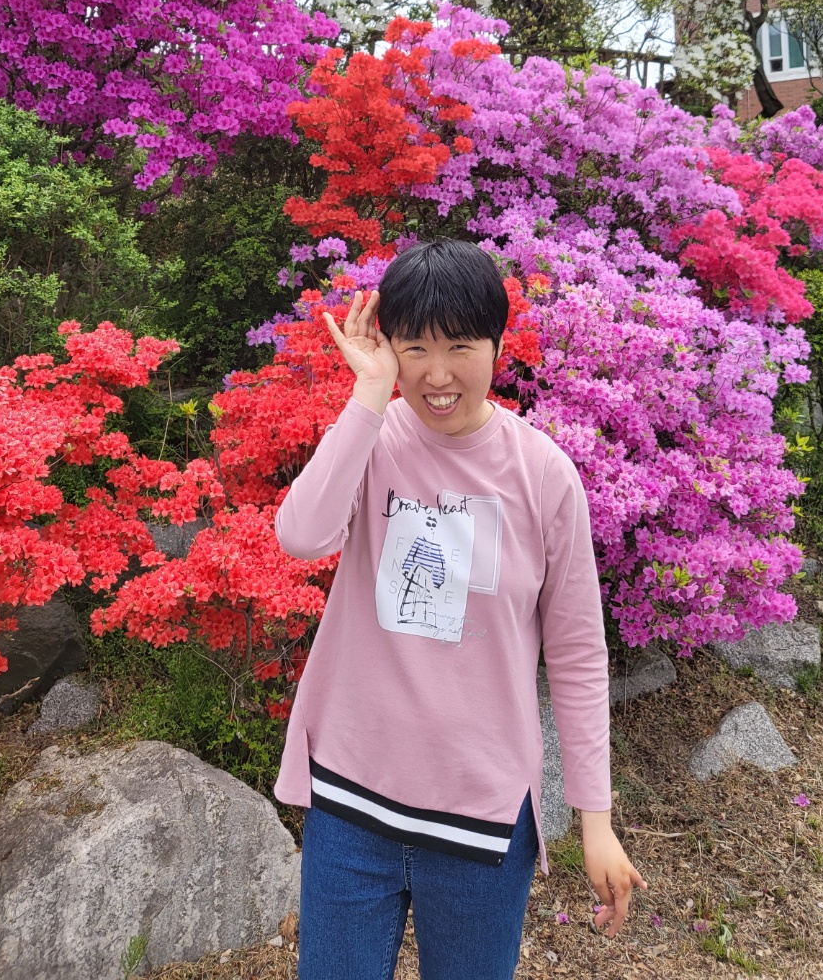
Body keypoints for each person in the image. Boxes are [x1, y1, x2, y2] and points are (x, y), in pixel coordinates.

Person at [275, 238, 646, 980]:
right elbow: (301, 536)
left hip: (480, 820)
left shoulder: (543, 476)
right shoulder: (373, 439)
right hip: (351, 802)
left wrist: (596, 821)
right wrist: (368, 395)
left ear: (498, 346)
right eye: (415, 347)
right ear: (389, 346)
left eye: (460, 347)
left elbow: (577, 655)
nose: (437, 375)